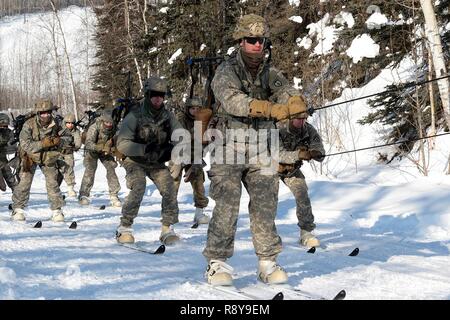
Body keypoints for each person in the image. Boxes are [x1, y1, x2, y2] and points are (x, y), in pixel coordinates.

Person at [203, 14, 307, 286]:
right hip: (228, 148)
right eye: (251, 40)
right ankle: (217, 263)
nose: (257, 45)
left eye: (260, 40)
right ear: (241, 41)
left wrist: (295, 103)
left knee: (265, 206)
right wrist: (269, 108)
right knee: (227, 203)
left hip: (262, 148)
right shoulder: (226, 71)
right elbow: (233, 101)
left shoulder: (270, 72)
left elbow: (285, 90)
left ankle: (267, 262)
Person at [115, 76, 184, 245]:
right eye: (154, 94)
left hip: (155, 161)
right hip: (135, 160)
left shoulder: (168, 116)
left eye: (161, 95)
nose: (158, 98)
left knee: (169, 188)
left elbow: (181, 135)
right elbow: (122, 143)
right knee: (139, 186)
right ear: (147, 94)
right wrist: (143, 149)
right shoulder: (135, 115)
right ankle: (124, 227)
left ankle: (167, 229)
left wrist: (171, 149)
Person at [11, 99, 67, 222]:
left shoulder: (57, 123)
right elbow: (25, 144)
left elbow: (68, 138)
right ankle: (18, 209)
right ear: (38, 113)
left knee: (53, 183)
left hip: (49, 157)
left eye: (47, 112)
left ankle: (57, 211)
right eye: (42, 113)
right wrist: (43, 143)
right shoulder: (29, 124)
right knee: (24, 183)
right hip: (30, 157)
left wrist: (59, 142)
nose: (45, 115)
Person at [277, 117, 324, 248]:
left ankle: (306, 232)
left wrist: (316, 153)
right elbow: (278, 154)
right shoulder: (277, 127)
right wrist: (299, 155)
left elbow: (319, 149)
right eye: (298, 119)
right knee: (268, 200)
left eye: (304, 119)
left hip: (291, 170)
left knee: (302, 193)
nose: (301, 122)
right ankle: (269, 235)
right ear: (291, 118)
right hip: (270, 168)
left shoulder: (308, 130)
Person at [168, 97, 210, 225]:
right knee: (173, 182)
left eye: (198, 109)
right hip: (178, 153)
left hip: (194, 154)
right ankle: (170, 214)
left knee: (199, 181)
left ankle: (199, 213)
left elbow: (204, 142)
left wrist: (197, 161)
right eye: (192, 108)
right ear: (187, 109)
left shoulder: (203, 121)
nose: (195, 111)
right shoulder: (179, 119)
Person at [78, 111, 121, 207]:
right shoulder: (94, 127)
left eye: (111, 123)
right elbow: (88, 143)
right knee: (90, 170)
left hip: (105, 152)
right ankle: (84, 195)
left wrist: (112, 148)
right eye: (107, 123)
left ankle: (114, 195)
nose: (109, 125)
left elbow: (118, 141)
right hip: (92, 151)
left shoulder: (115, 128)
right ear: (103, 121)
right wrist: (99, 147)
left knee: (111, 168)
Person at [58, 113, 82, 198]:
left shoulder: (75, 131)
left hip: (68, 153)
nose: (70, 125)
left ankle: (70, 188)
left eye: (72, 123)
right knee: (57, 170)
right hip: (58, 152)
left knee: (69, 168)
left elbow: (78, 141)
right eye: (68, 123)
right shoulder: (59, 129)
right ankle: (55, 188)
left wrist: (76, 146)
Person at [0, 113, 18, 191]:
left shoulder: (9, 132)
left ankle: (18, 199)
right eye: (1, 126)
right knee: (2, 186)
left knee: (10, 177)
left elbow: (11, 147)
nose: (4, 128)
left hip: (3, 160)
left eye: (5, 126)